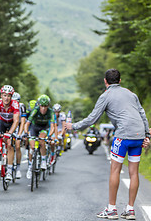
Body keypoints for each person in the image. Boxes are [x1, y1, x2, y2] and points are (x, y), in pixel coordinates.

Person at [66, 68, 150, 220]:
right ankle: (130, 210)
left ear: (105, 81)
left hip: (123, 136)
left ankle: (112, 209)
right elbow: (142, 113)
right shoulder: (131, 94)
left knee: (115, 170)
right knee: (133, 172)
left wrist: (74, 126)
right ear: (120, 80)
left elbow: (92, 119)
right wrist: (147, 135)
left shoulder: (105, 96)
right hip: (138, 135)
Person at [0, 85, 20, 182]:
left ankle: (9, 170)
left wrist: (10, 133)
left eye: (9, 96)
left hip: (11, 124)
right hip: (2, 122)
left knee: (9, 144)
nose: (6, 98)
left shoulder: (15, 105)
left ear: (11, 97)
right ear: (1, 95)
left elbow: (16, 121)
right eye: (5, 95)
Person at [24, 94, 56, 179]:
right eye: (42, 106)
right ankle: (30, 168)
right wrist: (26, 132)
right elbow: (27, 123)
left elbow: (53, 125)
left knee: (42, 141)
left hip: (44, 128)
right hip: (34, 128)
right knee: (32, 147)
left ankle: (43, 161)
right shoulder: (35, 110)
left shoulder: (51, 112)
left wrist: (49, 135)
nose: (43, 109)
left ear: (48, 106)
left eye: (45, 106)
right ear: (39, 105)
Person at [12, 92, 27, 179]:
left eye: (17, 101)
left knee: (17, 146)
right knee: (8, 143)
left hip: (19, 125)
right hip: (10, 124)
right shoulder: (9, 106)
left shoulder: (21, 106)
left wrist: (20, 133)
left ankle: (18, 168)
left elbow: (23, 121)